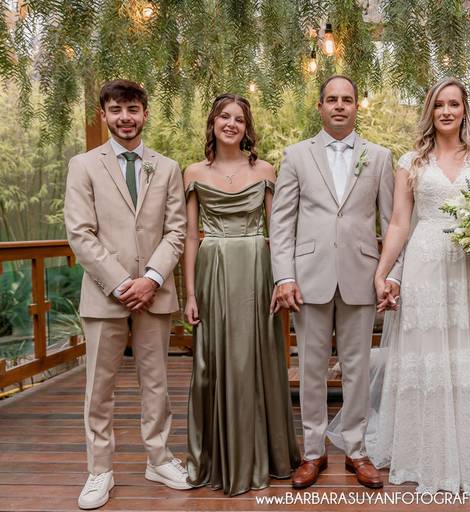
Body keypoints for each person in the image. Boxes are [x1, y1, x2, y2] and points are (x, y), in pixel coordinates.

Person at [369, 77, 470, 495]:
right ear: (430, 110)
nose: (446, 111)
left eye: (454, 104)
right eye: (439, 104)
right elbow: (399, 222)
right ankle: (427, 453)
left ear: (464, 110)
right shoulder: (411, 162)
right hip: (425, 263)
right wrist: (382, 272)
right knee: (430, 356)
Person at [269, 75, 402, 490]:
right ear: (320, 106)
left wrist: (391, 275)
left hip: (362, 276)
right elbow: (281, 222)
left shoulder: (379, 157)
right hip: (308, 277)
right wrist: (284, 276)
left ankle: (357, 450)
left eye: (347, 99)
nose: (339, 106)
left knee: (357, 368)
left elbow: (393, 223)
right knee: (310, 368)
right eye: (332, 99)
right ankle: (313, 452)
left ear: (357, 106)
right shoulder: (296, 155)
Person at [64, 79, 189, 510]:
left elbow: (176, 230)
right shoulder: (83, 165)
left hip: (155, 293)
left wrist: (151, 278)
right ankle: (100, 469)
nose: (125, 118)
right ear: (104, 115)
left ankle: (159, 458)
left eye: (133, 109)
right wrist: (121, 283)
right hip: (105, 295)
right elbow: (80, 233)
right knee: (99, 387)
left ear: (145, 113)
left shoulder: (167, 167)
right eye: (116, 110)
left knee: (156, 382)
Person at [183, 93, 299, 495]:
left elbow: (278, 231)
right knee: (213, 362)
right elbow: (190, 236)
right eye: (224, 117)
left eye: (239, 119)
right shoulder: (193, 172)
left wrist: (282, 279)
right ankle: (218, 458)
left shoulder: (264, 170)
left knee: (257, 357)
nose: (231, 124)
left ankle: (266, 454)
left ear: (247, 128)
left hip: (255, 267)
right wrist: (190, 294)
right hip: (213, 269)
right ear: (213, 123)